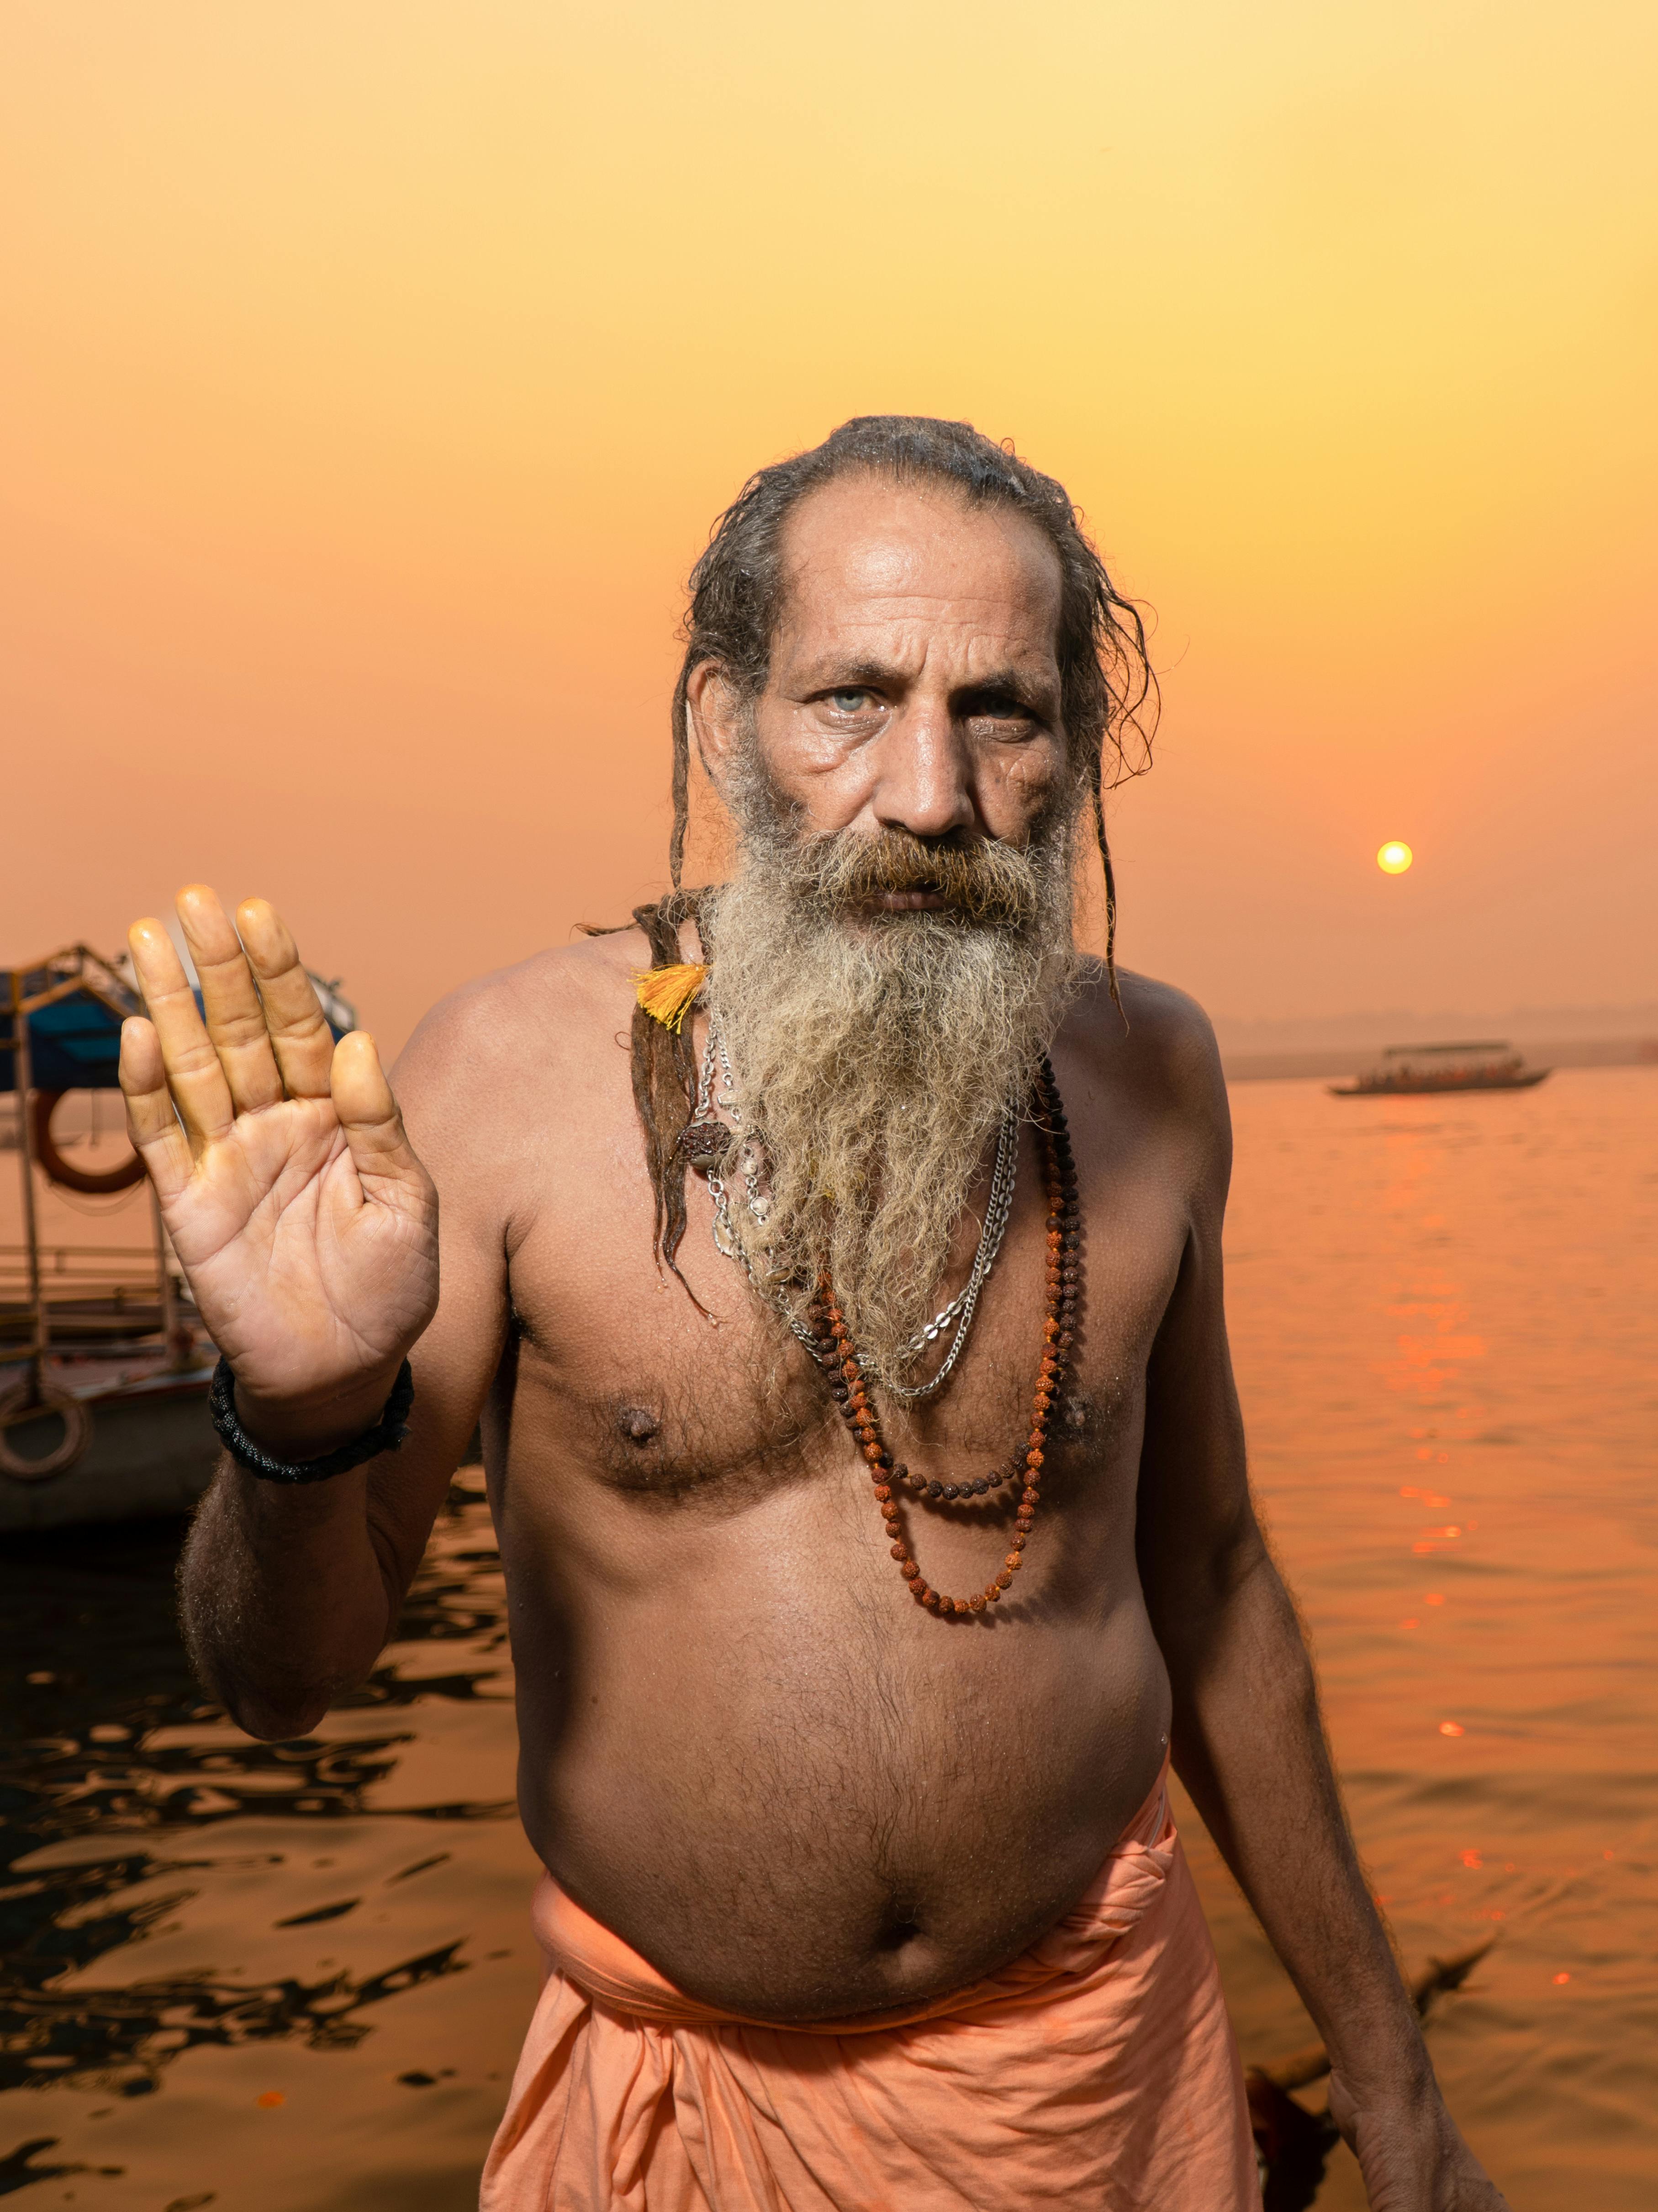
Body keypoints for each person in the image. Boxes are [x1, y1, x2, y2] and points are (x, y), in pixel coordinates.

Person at [120, 417, 1507, 2211]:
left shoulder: (1151, 1073)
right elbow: (281, 1684)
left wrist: (1393, 2092)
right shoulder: (500, 1079)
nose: (926, 791)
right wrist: (297, 1412)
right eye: (850, 696)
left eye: (999, 708)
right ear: (723, 724)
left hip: (1100, 2090)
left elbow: (1216, 1585)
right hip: (697, 2122)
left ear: (1069, 747)